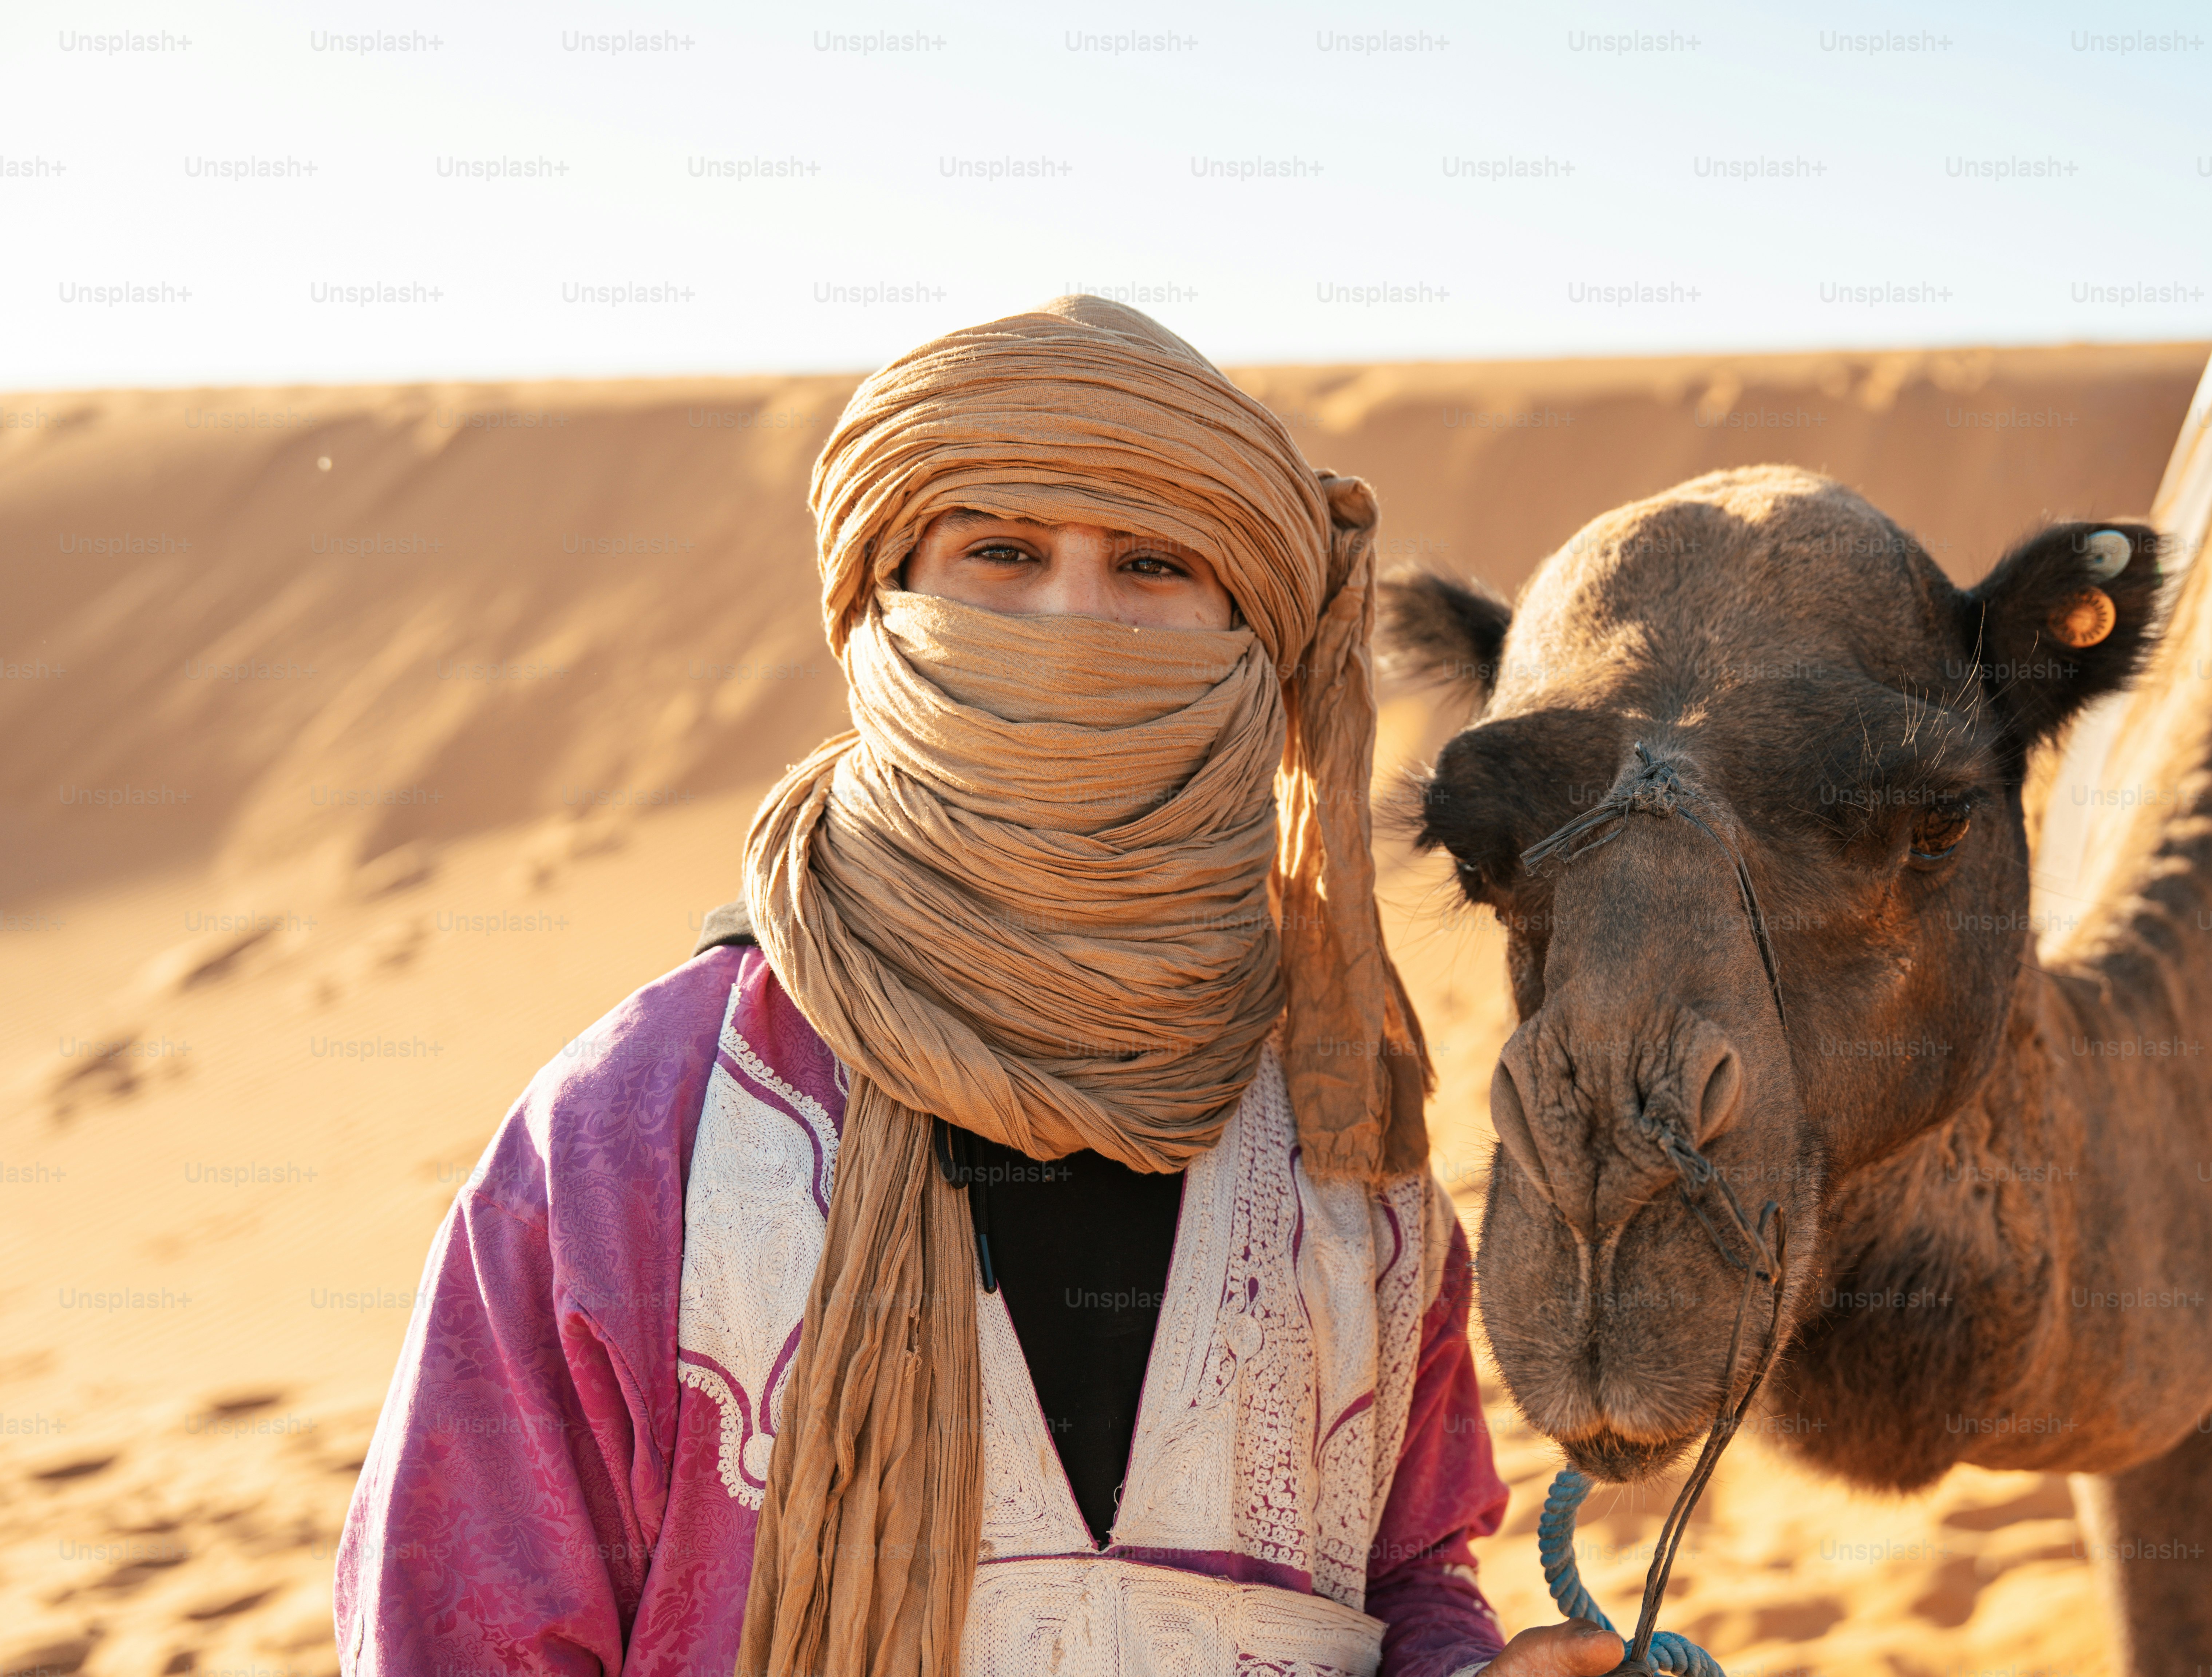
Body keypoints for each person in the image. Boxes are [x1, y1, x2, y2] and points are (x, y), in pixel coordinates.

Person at [332, 297, 1628, 1677]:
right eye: (1002, 551)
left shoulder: (1349, 1133)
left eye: (1152, 563)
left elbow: (1404, 1571)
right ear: (883, 605)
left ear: (1252, 631)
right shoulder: (635, 1128)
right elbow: (459, 1628)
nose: (1078, 618)